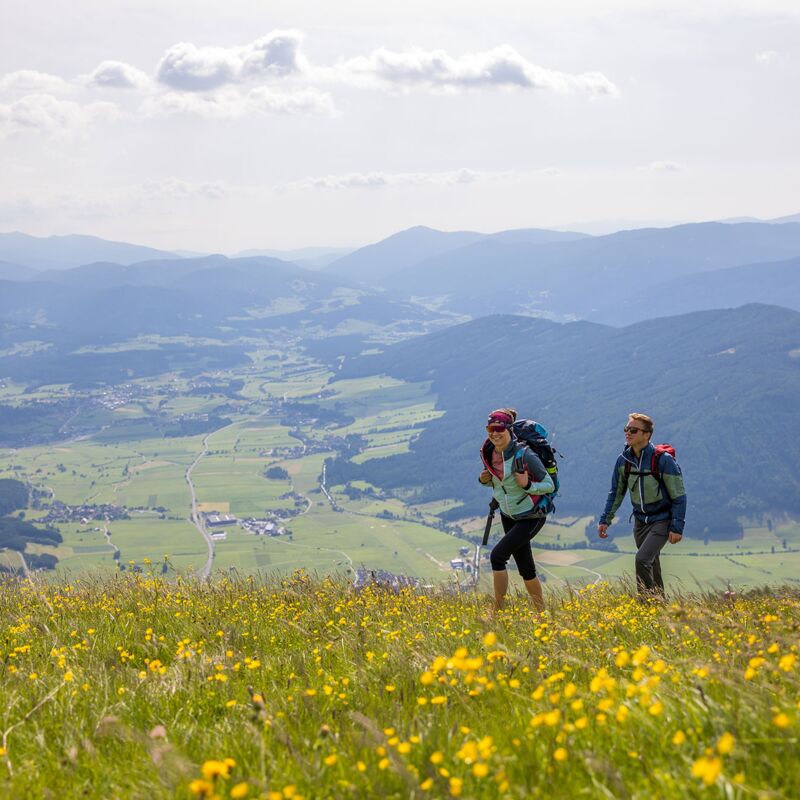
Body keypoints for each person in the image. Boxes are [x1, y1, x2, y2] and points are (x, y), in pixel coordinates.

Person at [597, 413, 686, 598]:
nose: (627, 433)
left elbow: (679, 496)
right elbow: (616, 493)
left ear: (646, 435)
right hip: (640, 521)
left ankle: (646, 603)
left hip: (662, 519)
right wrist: (605, 519)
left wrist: (677, 527)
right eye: (626, 429)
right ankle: (660, 606)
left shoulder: (663, 460)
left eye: (633, 430)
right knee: (652, 562)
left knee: (642, 559)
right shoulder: (623, 461)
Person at [479, 408, 556, 611]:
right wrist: (484, 481)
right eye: (490, 428)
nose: (494, 433)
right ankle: (541, 613)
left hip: (531, 515)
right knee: (526, 568)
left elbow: (549, 485)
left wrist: (528, 485)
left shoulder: (525, 455)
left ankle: (497, 611)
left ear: (509, 429)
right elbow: (500, 484)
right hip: (508, 514)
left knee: (497, 556)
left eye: (499, 428)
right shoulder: (489, 452)